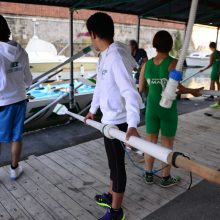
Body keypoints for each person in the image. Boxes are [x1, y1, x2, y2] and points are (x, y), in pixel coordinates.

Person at [84, 12, 142, 220]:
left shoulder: (115, 56)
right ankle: (111, 195)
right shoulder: (105, 55)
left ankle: (116, 212)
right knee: (112, 163)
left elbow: (130, 92)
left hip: (120, 122)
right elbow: (100, 87)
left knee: (118, 167)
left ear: (93, 34)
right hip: (108, 120)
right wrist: (92, 110)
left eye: (89, 35)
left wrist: (133, 124)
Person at [139, 30, 203, 187]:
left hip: (151, 109)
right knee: (167, 144)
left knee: (150, 143)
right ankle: (166, 178)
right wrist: (193, 91)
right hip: (167, 110)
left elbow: (141, 88)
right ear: (170, 45)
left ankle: (148, 174)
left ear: (155, 44)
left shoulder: (146, 65)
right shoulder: (173, 63)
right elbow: (178, 87)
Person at [0, 15, 32, 180]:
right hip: (19, 99)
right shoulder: (21, 51)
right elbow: (28, 80)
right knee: (16, 136)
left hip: (2, 103)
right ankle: (14, 169)